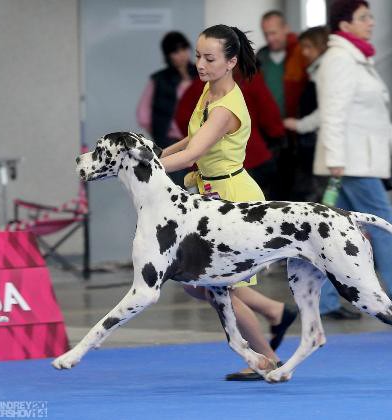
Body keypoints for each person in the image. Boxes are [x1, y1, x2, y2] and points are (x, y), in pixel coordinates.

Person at [160, 25, 296, 381]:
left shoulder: (225, 107)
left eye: (209, 58)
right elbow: (193, 136)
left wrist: (147, 167)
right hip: (211, 198)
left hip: (235, 202)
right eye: (198, 56)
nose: (200, 64)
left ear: (230, 61)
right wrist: (161, 152)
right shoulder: (209, 89)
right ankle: (274, 312)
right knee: (195, 284)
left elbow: (196, 150)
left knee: (218, 286)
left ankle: (266, 359)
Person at [314, 0, 392, 318]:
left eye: (371, 16)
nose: (372, 22)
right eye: (364, 17)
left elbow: (377, 117)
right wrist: (335, 159)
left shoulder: (358, 59)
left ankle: (325, 302)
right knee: (383, 223)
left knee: (332, 233)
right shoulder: (340, 60)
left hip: (355, 161)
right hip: (350, 164)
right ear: (344, 25)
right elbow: (332, 114)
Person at [174, 68, 287, 199]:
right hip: (253, 157)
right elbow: (270, 115)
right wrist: (277, 135)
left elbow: (182, 116)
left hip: (215, 165)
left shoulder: (204, 85)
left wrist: (199, 139)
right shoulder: (250, 79)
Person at [257, 10, 310, 200]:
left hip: (298, 132)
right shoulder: (260, 58)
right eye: (266, 34)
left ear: (285, 29)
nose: (270, 38)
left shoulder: (301, 54)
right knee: (274, 191)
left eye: (274, 32)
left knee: (299, 192)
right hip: (270, 135)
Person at [137, 31, 197, 187]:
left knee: (205, 187)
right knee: (179, 188)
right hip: (172, 141)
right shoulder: (159, 79)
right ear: (168, 55)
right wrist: (160, 130)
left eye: (184, 49)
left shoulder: (200, 74)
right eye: (176, 51)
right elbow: (143, 114)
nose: (182, 55)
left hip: (198, 137)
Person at [284, 26, 330, 202]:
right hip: (314, 141)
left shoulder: (324, 71)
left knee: (318, 196)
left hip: (318, 141)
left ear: (321, 46)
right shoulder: (315, 70)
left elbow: (325, 110)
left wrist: (299, 125)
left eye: (308, 47)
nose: (304, 52)